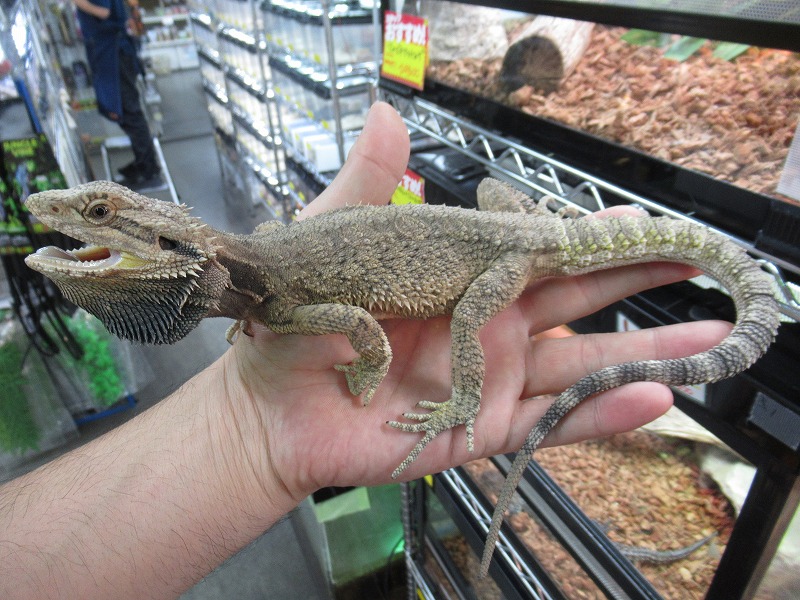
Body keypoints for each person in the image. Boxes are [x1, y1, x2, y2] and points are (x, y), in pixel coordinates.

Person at [0, 103, 730, 599]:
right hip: (509, 232)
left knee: (470, 320)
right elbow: (280, 274)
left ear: (169, 242)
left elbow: (365, 331)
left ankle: (466, 399)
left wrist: (370, 376)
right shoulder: (258, 291)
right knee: (488, 190)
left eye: (99, 213)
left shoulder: (279, 303)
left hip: (513, 256)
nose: (60, 217)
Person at [73, 0, 161, 189]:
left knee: (130, 112)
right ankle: (143, 163)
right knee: (125, 113)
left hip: (114, 53)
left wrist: (79, 2)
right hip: (109, 51)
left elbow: (104, 12)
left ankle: (149, 171)